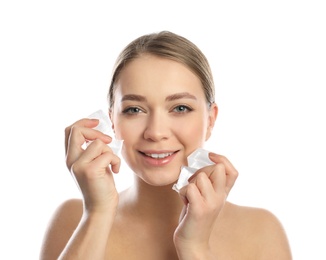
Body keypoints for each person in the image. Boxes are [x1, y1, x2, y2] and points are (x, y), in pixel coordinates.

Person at [40, 31, 292, 260]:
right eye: (134, 109)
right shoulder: (73, 220)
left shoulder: (261, 231)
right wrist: (98, 213)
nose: (156, 132)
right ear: (112, 122)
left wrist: (195, 247)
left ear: (210, 120)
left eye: (180, 108)